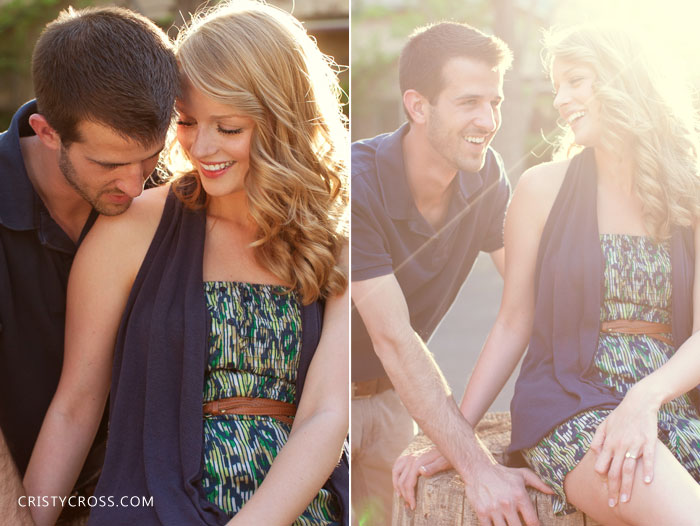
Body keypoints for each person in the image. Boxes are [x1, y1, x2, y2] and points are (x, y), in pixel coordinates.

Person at [23, 1, 349, 525]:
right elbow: (75, 406)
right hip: (151, 505)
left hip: (297, 507)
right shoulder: (130, 229)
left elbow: (327, 416)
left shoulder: (336, 241)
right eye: (187, 121)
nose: (202, 147)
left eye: (229, 127)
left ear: (281, 121)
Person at [395, 24, 700, 525]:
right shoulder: (542, 189)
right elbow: (514, 321)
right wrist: (458, 433)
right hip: (572, 404)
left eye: (575, 81)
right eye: (557, 86)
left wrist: (644, 399)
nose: (561, 100)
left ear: (624, 80)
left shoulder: (687, 193)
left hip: (667, 401)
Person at [351, 21, 552, 526]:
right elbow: (393, 338)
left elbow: (533, 294)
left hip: (398, 397)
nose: (488, 120)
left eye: (496, 102)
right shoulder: (357, 185)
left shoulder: (485, 178)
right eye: (469, 102)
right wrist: (478, 468)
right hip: (325, 399)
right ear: (418, 106)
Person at [0, 7, 178, 524]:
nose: (135, 185)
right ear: (47, 131)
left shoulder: (171, 191)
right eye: (108, 164)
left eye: (149, 157)